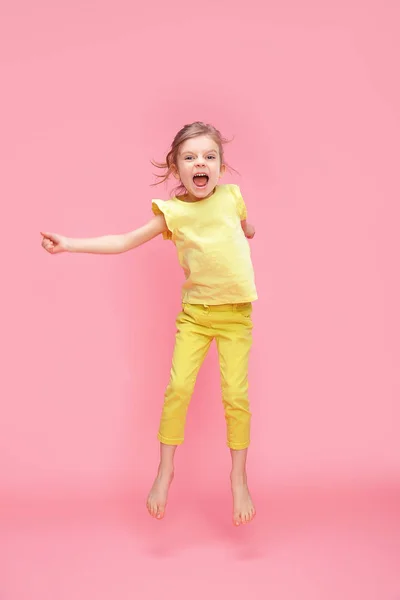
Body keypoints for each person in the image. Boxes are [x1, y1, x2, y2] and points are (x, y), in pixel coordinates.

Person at [41, 121, 258, 526]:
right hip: (195, 316)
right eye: (190, 157)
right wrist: (70, 244)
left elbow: (243, 225)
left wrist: (248, 229)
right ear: (176, 168)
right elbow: (123, 241)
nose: (201, 163)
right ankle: (164, 470)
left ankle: (239, 476)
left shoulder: (232, 197)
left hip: (236, 315)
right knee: (178, 388)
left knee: (236, 395)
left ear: (221, 167)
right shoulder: (172, 213)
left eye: (210, 156)